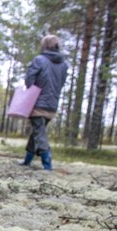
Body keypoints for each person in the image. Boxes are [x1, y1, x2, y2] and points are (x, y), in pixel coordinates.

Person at [20, 35, 68, 170]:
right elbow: (61, 83)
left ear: (45, 45)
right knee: (37, 130)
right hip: (52, 104)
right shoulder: (64, 64)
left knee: (39, 132)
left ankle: (47, 164)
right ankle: (27, 161)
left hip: (38, 102)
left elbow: (29, 80)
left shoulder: (39, 60)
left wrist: (34, 88)